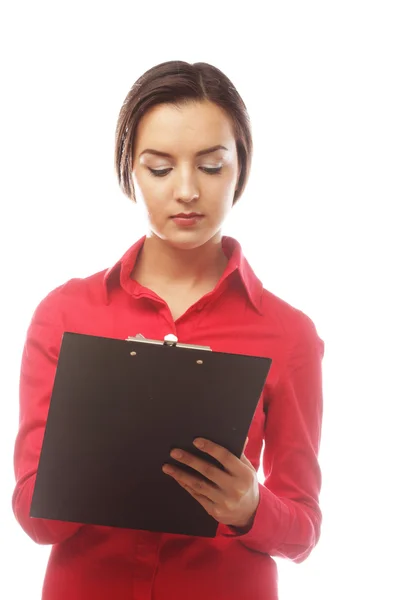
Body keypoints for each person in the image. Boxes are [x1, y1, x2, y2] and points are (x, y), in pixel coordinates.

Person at [12, 60, 325, 600]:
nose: (186, 191)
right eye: (159, 168)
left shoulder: (287, 333)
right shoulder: (65, 314)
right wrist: (99, 446)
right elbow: (34, 521)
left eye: (210, 166)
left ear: (240, 169)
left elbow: (303, 531)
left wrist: (251, 506)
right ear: (130, 170)